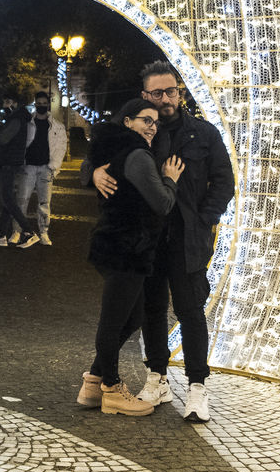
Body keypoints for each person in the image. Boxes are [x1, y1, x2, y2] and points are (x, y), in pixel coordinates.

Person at [93, 62, 235, 422]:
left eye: (171, 91)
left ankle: (197, 386)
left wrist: (204, 220)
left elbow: (224, 181)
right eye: (156, 93)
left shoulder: (203, 133)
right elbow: (103, 153)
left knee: (190, 311)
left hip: (188, 240)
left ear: (180, 92)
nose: (165, 99)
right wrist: (91, 173)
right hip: (149, 239)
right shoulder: (139, 132)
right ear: (145, 95)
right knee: (152, 310)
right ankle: (157, 377)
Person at [77, 98, 184, 415]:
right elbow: (163, 203)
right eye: (145, 120)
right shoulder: (137, 154)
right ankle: (111, 388)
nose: (152, 127)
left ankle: (93, 382)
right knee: (114, 320)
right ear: (127, 121)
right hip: (128, 247)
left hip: (119, 244)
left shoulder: (116, 146)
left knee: (132, 317)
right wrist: (171, 179)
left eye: (155, 122)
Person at [0, 95, 42, 247]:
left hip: (9, 161)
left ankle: (29, 232)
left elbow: (3, 138)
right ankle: (1, 235)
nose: (4, 104)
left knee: (7, 199)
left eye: (7, 102)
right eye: (4, 101)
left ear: (15, 103)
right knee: (7, 200)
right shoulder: (19, 117)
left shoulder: (16, 118)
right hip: (12, 161)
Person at [11, 91, 67, 248]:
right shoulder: (27, 123)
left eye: (44, 103)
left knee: (44, 203)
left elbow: (61, 147)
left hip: (46, 168)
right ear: (35, 104)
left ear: (48, 105)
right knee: (22, 200)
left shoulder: (57, 126)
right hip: (28, 167)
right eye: (39, 103)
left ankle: (44, 232)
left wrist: (53, 167)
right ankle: (17, 231)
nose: (41, 106)